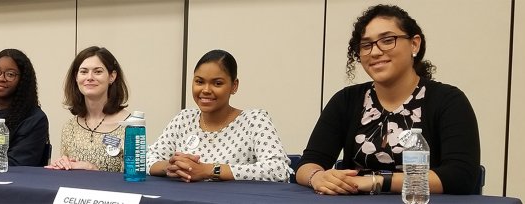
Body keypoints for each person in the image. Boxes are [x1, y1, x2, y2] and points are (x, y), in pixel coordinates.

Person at [296, 4, 481, 195]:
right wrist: (317, 177)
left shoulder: (448, 101)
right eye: (366, 45)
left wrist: (375, 181)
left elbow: (460, 177)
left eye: (387, 40)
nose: (375, 52)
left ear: (414, 44)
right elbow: (308, 163)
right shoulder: (346, 100)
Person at [146, 50, 291, 183]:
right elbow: (145, 160)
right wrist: (171, 166)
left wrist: (207, 170)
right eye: (199, 81)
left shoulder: (254, 120)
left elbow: (278, 170)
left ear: (234, 86)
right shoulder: (184, 119)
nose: (206, 90)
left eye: (217, 83)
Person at [45, 46, 131, 172]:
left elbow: (132, 179)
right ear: (76, 77)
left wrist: (91, 169)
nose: (89, 77)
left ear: (112, 76)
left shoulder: (130, 126)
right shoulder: (70, 127)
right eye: (84, 72)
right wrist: (62, 165)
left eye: (97, 72)